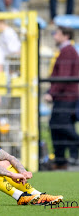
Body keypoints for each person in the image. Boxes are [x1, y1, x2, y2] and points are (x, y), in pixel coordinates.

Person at [44, 26, 79, 169]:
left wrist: (51, 92)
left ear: (65, 35)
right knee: (58, 126)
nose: (54, 36)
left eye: (57, 34)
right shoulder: (67, 50)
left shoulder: (67, 51)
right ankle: (61, 160)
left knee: (60, 125)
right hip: (65, 96)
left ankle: (63, 158)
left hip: (66, 96)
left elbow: (63, 76)